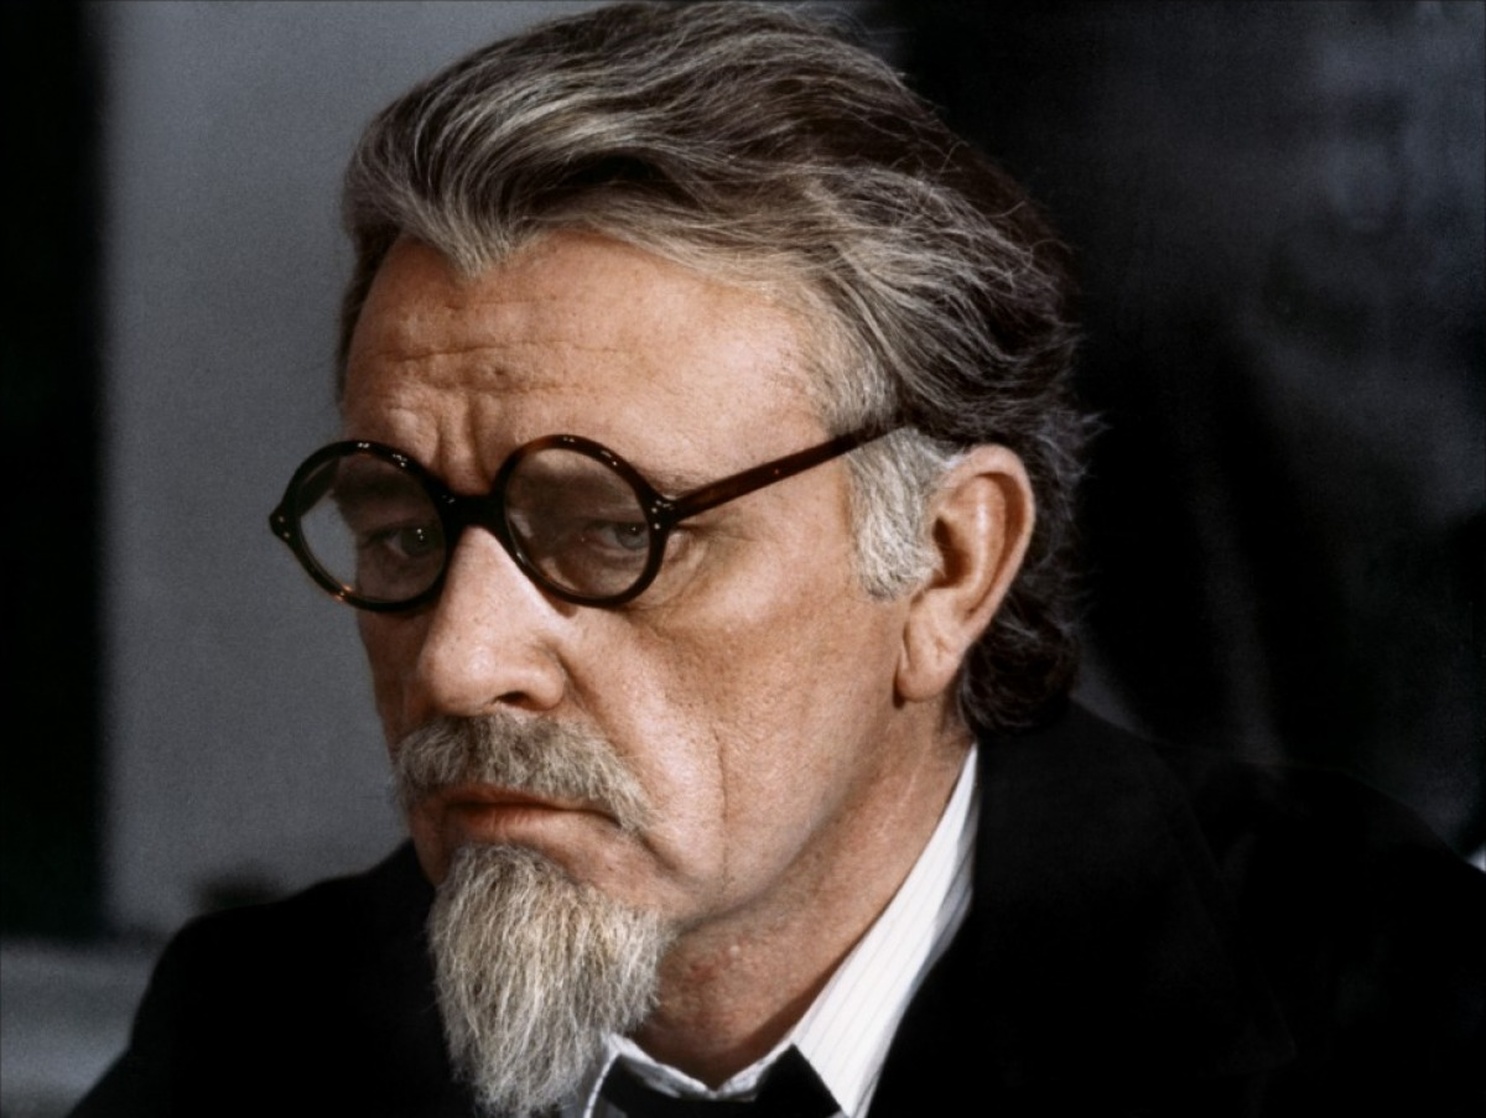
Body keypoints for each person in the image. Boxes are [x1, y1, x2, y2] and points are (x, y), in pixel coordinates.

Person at [75, 4, 1483, 1116]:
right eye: (399, 530)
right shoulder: (254, 1032)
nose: (456, 657)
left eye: (611, 529)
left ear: (945, 565)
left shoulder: (1384, 1013)